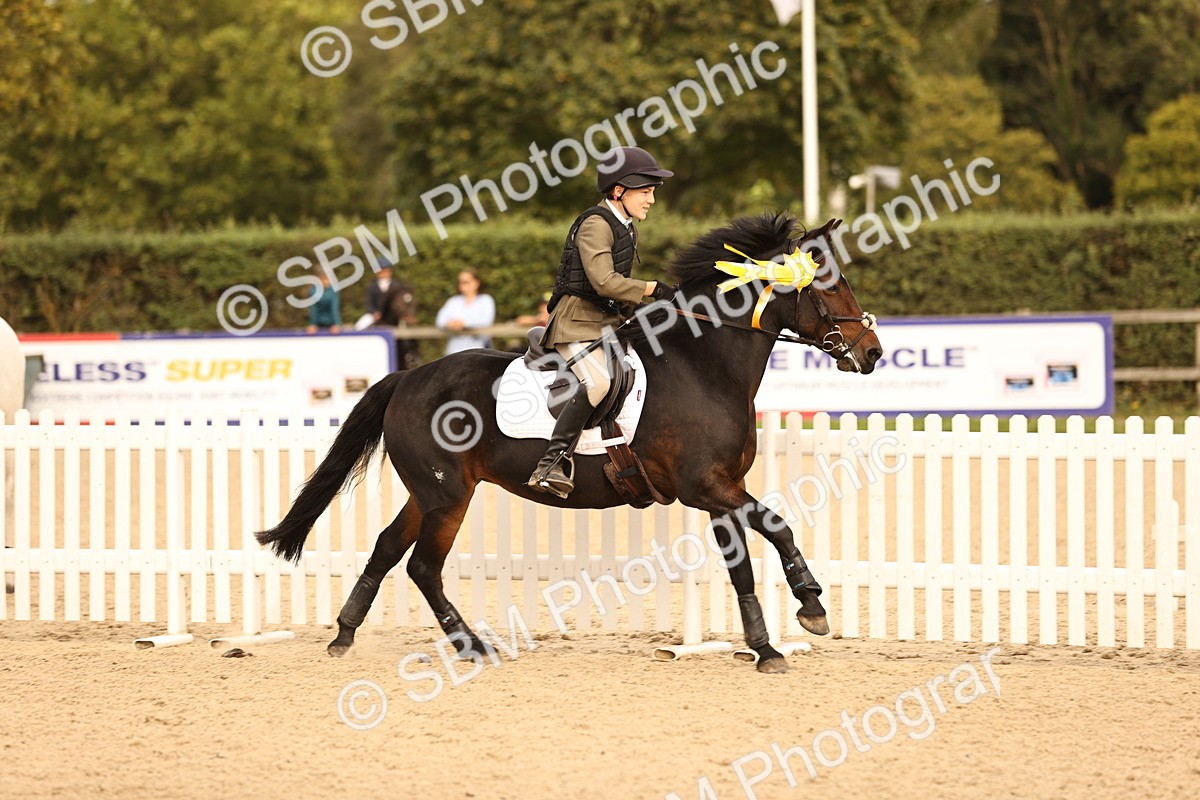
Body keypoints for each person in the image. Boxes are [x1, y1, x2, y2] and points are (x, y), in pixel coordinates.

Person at [526, 146, 677, 499]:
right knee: (596, 383)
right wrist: (652, 288)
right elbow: (604, 282)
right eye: (646, 191)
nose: (651, 200)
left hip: (604, 321)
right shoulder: (596, 224)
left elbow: (614, 294)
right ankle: (551, 463)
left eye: (653, 192)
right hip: (575, 322)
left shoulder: (625, 226)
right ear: (618, 191)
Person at [435, 269, 496, 355]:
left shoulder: (485, 300)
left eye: (466, 282)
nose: (462, 285)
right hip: (454, 352)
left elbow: (486, 320)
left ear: (476, 283)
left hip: (479, 353)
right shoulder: (453, 301)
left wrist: (464, 324)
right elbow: (440, 321)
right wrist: (449, 324)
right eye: (460, 282)